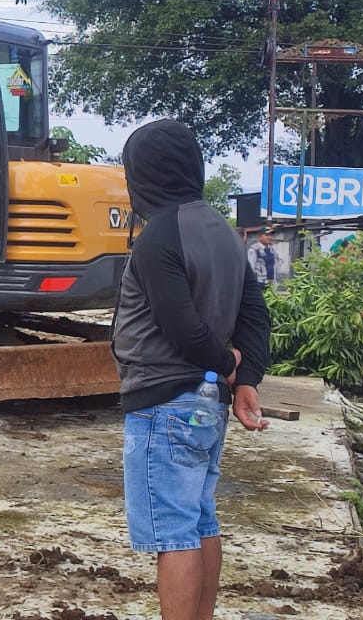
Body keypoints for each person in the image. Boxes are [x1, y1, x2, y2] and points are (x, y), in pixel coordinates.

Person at [113, 119, 270, 620]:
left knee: (173, 533)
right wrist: (244, 380)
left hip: (163, 404)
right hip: (205, 405)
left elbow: (179, 325)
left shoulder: (160, 234)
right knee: (201, 521)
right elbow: (254, 312)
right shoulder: (220, 229)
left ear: (144, 174)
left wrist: (228, 366)